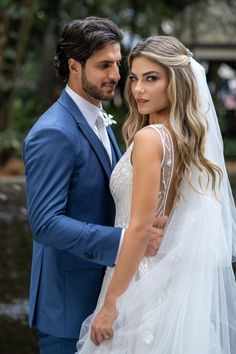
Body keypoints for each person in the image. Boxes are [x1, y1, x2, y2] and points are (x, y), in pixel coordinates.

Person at [76, 36, 236, 354]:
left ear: (175, 82)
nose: (138, 90)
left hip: (136, 284)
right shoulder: (182, 139)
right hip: (166, 283)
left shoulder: (151, 138)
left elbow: (139, 228)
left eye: (151, 79)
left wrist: (110, 305)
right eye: (134, 78)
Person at [23, 18, 166, 354]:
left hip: (106, 297)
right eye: (104, 65)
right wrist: (127, 240)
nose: (116, 75)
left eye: (117, 63)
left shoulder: (98, 118)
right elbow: (45, 224)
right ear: (75, 66)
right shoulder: (54, 132)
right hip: (69, 307)